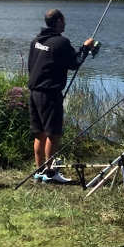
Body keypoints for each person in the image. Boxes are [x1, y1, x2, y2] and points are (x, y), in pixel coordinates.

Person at [28, 9, 97, 184]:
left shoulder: (36, 41)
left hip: (34, 92)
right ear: (58, 21)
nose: (65, 24)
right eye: (64, 21)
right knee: (53, 133)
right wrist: (86, 48)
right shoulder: (61, 42)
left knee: (40, 133)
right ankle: (51, 174)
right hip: (50, 94)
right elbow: (75, 63)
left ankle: (40, 171)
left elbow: (31, 65)